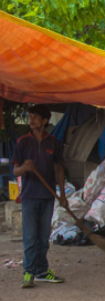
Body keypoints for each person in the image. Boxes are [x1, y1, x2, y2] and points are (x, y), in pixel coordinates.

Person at [12, 104, 67, 288]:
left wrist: (63, 194)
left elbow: (58, 169)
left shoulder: (53, 143)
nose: (31, 120)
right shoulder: (23, 142)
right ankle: (28, 272)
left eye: (35, 117)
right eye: (30, 116)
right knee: (30, 237)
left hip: (48, 196)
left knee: (44, 237)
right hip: (29, 196)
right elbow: (15, 171)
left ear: (44, 121)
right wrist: (25, 168)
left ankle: (42, 271)